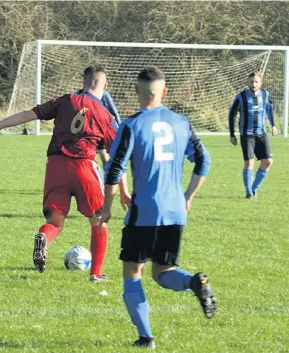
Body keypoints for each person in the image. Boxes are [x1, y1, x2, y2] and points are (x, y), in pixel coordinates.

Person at [99, 67, 216, 349]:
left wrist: (106, 208)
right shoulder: (181, 122)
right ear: (164, 91)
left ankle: (146, 337)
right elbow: (204, 162)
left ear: (137, 92)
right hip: (175, 210)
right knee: (163, 272)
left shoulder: (131, 125)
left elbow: (114, 170)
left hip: (145, 211)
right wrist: (187, 196)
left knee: (132, 272)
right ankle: (193, 282)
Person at [0, 65, 130, 281]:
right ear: (104, 85)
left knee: (55, 222)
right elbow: (118, 157)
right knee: (98, 220)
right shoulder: (105, 115)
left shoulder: (65, 100)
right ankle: (96, 274)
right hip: (84, 167)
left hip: (56, 166)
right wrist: (124, 191)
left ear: (84, 82)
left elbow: (28, 114)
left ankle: (43, 237)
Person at [228, 71, 278, 199]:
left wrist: (273, 125)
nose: (253, 84)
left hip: (261, 134)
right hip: (247, 135)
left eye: (256, 81)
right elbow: (232, 114)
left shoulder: (265, 94)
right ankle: (248, 192)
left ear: (260, 83)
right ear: (247, 82)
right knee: (249, 163)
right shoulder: (241, 97)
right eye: (251, 81)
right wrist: (232, 134)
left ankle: (254, 188)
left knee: (268, 162)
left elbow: (269, 110)